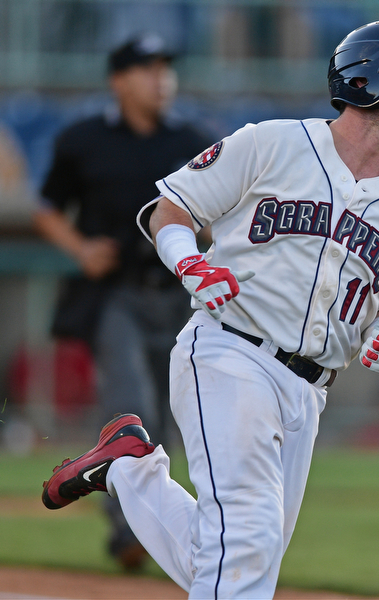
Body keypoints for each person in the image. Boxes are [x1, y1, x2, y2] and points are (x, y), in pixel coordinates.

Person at [41, 19, 379, 599]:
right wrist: (187, 262)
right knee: (246, 539)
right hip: (229, 351)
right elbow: (172, 208)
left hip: (310, 390)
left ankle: (127, 468)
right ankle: (128, 469)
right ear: (365, 74)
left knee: (236, 552)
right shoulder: (274, 142)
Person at [34, 33, 213, 570]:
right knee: (131, 404)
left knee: (173, 414)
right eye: (146, 68)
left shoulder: (196, 138)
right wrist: (81, 248)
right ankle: (126, 533)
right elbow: (47, 209)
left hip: (180, 296)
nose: (161, 78)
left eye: (166, 67)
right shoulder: (83, 140)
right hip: (115, 294)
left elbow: (222, 211)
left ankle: (152, 523)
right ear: (118, 80)